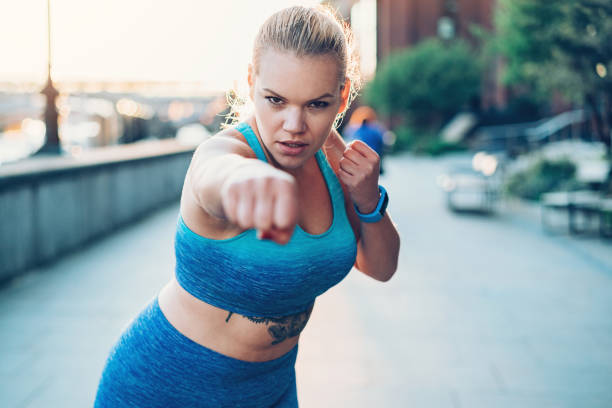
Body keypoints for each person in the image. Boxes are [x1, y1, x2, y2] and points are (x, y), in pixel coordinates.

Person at [94, 5, 400, 407]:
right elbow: (213, 175)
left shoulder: (333, 160)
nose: (294, 124)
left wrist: (368, 201)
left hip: (271, 389)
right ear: (251, 80)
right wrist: (245, 181)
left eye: (316, 104)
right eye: (276, 100)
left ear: (342, 96)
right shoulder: (227, 152)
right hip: (166, 385)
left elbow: (381, 268)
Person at [343, 106, 387, 174]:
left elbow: (347, 138)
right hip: (374, 158)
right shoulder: (375, 130)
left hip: (359, 160)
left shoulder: (354, 130)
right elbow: (382, 141)